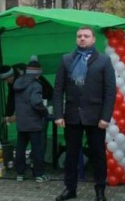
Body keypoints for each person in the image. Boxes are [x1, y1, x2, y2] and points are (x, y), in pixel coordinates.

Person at [53, 27, 116, 201]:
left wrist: (105, 117)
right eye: (79, 36)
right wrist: (58, 114)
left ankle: (100, 191)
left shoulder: (103, 60)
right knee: (71, 155)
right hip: (72, 116)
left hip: (96, 117)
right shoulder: (66, 60)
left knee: (98, 156)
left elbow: (110, 91)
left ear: (93, 39)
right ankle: (70, 189)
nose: (82, 39)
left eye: (86, 36)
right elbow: (58, 89)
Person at [13, 58, 49, 183]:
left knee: (20, 148)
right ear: (37, 73)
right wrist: (45, 112)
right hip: (34, 123)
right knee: (37, 148)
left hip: (21, 122)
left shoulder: (17, 82)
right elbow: (36, 102)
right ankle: (38, 174)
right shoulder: (36, 85)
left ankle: (20, 173)